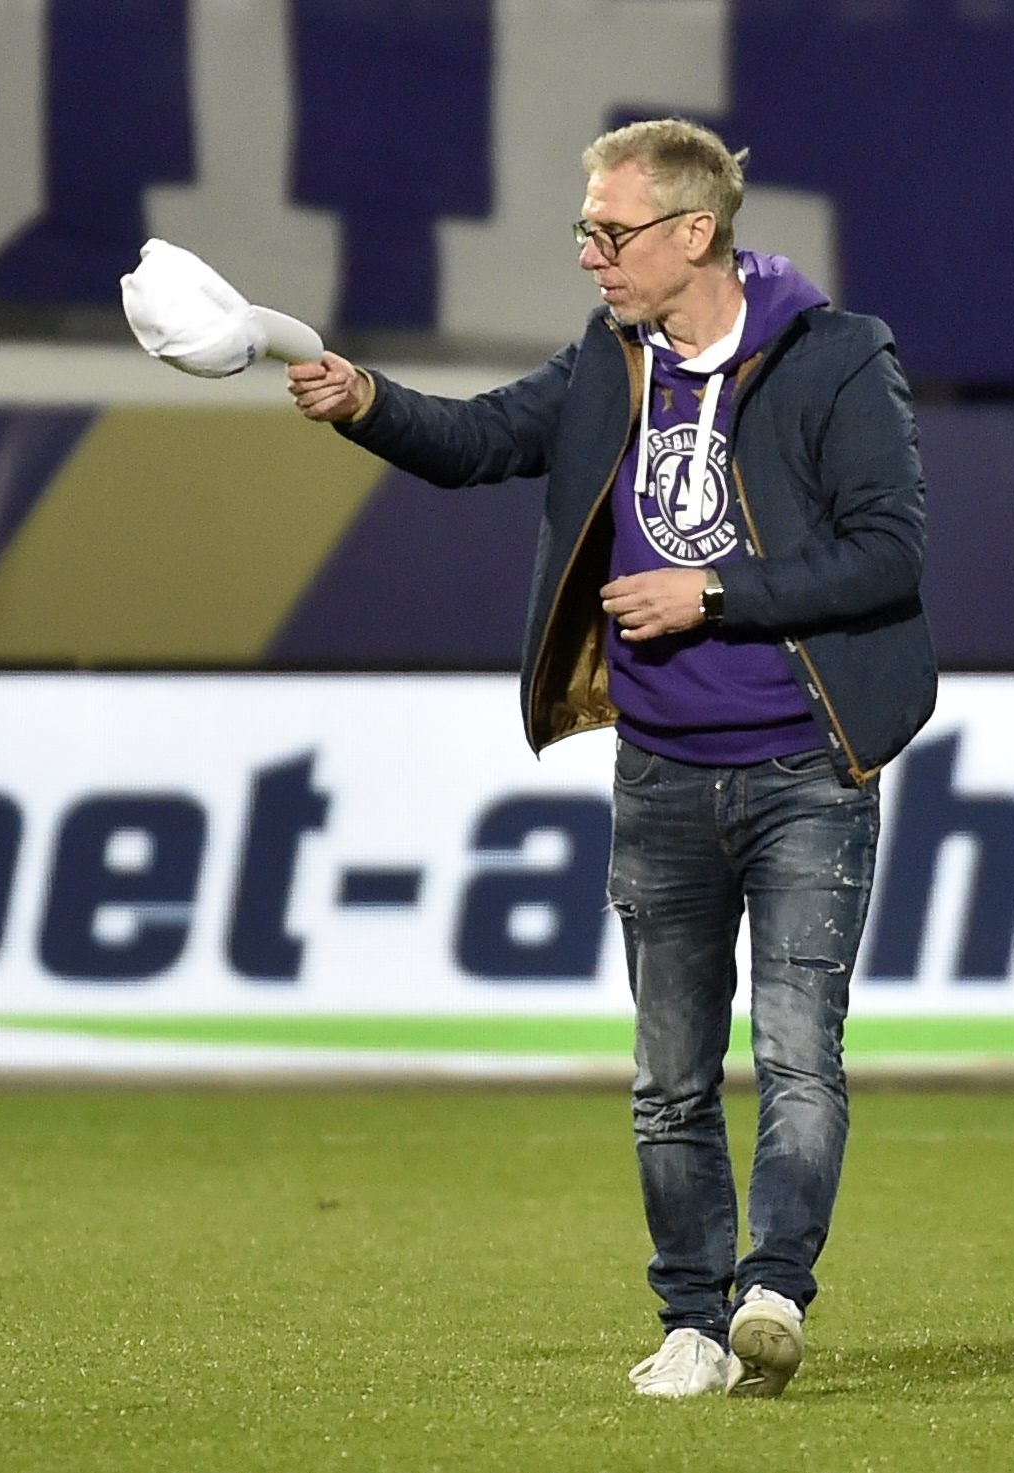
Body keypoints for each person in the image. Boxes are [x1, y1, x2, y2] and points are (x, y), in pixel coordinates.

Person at [287, 118, 936, 1399]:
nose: (589, 253)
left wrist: (716, 596)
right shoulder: (609, 361)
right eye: (586, 229)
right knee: (669, 1081)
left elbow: (890, 551)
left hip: (808, 768)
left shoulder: (836, 355)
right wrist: (361, 400)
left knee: (801, 1054)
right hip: (659, 775)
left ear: (694, 232)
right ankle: (692, 1323)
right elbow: (477, 441)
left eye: (609, 230)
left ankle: (772, 1294)